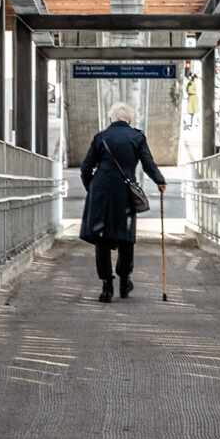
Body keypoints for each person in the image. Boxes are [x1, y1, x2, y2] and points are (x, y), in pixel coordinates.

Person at [79, 101, 166, 302]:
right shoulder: (137, 137)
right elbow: (148, 164)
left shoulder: (100, 137)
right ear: (130, 120)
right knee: (125, 237)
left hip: (100, 192)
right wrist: (160, 181)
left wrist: (92, 188)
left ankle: (106, 286)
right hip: (124, 193)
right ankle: (124, 279)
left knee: (101, 237)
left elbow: (85, 168)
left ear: (111, 119)